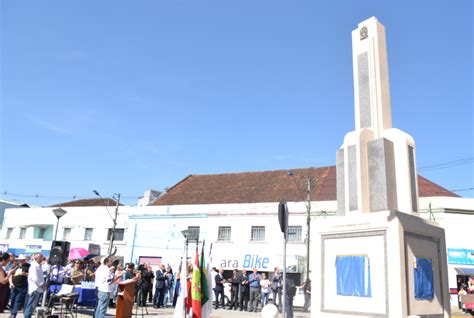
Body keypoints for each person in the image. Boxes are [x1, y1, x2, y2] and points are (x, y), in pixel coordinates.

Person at [24, 253, 45, 318]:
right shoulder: (34, 266)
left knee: (32, 306)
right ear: (36, 258)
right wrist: (42, 285)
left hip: (38, 289)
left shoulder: (39, 265)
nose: (42, 258)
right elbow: (35, 278)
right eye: (41, 257)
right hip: (35, 288)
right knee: (31, 306)